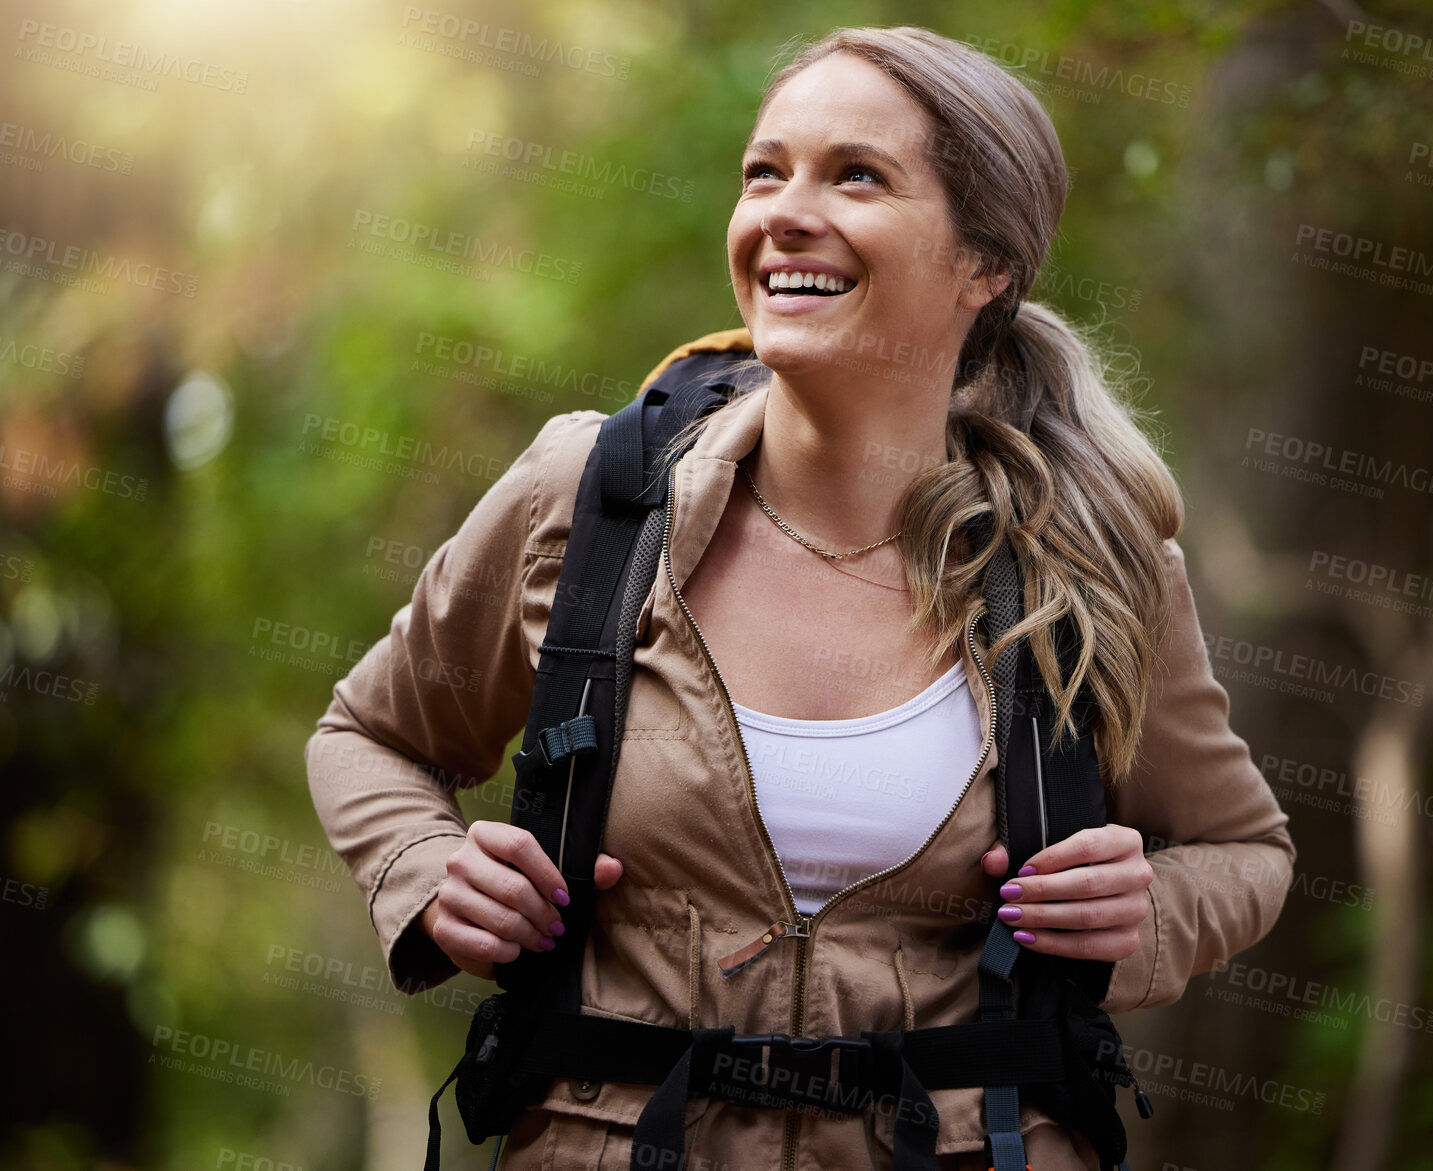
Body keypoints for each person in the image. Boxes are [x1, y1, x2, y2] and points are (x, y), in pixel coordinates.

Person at [304, 24, 1296, 1171]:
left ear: (984, 265)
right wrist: (427, 876)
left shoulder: (1091, 560)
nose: (782, 210)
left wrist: (1149, 915)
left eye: (856, 175)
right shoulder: (589, 501)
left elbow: (1246, 848)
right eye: (764, 171)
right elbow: (368, 734)